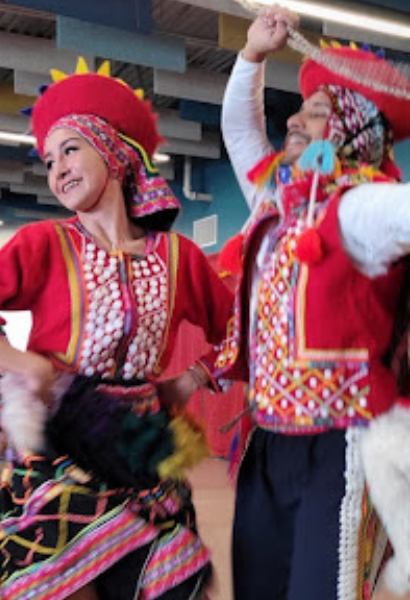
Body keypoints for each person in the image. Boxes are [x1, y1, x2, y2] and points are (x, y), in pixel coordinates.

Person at [0, 57, 234, 600]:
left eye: (70, 150)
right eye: (48, 160)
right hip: (58, 457)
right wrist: (21, 361)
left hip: (144, 456)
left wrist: (191, 378)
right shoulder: (44, 242)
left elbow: (242, 329)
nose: (57, 170)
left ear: (115, 153)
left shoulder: (180, 258)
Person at [219, 7, 410, 600]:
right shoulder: (276, 199)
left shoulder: (360, 211)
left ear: (352, 127)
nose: (296, 117)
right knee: (259, 586)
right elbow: (241, 132)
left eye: (318, 109)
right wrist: (252, 56)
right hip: (270, 439)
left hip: (340, 446)